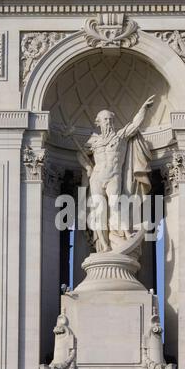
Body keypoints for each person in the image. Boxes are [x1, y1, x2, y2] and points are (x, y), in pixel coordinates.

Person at [77, 95, 155, 252]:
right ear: (98, 122)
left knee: (116, 204)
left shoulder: (120, 137)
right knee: (99, 211)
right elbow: (80, 154)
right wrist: (88, 167)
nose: (109, 122)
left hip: (114, 176)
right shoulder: (94, 141)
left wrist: (143, 109)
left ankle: (126, 233)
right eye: (105, 119)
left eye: (111, 119)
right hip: (97, 177)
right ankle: (104, 246)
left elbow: (135, 124)